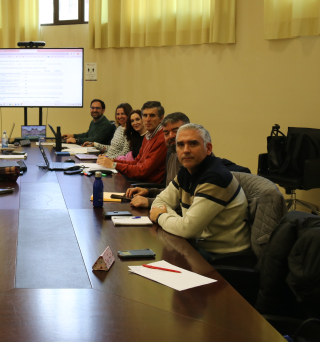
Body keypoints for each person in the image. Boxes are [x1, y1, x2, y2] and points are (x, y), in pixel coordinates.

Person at [150, 123, 250, 255]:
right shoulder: (186, 171)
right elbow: (160, 201)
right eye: (180, 145)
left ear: (208, 148)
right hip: (196, 247)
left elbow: (187, 229)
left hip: (221, 257)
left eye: (193, 144)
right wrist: (178, 222)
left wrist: (161, 216)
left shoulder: (215, 178)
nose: (186, 150)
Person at [126, 112, 190, 208]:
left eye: (175, 131)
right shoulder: (171, 152)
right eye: (166, 133)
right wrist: (149, 191)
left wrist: (150, 201)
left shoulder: (190, 160)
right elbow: (170, 191)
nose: (171, 136)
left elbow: (182, 201)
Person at [98, 101, 168, 183]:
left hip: (147, 185)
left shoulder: (161, 138)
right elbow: (136, 162)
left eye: (152, 115)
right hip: (139, 179)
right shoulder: (148, 135)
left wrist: (114, 165)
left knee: (107, 181)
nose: (148, 119)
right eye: (145, 115)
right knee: (104, 179)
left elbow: (143, 171)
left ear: (161, 118)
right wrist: (111, 161)